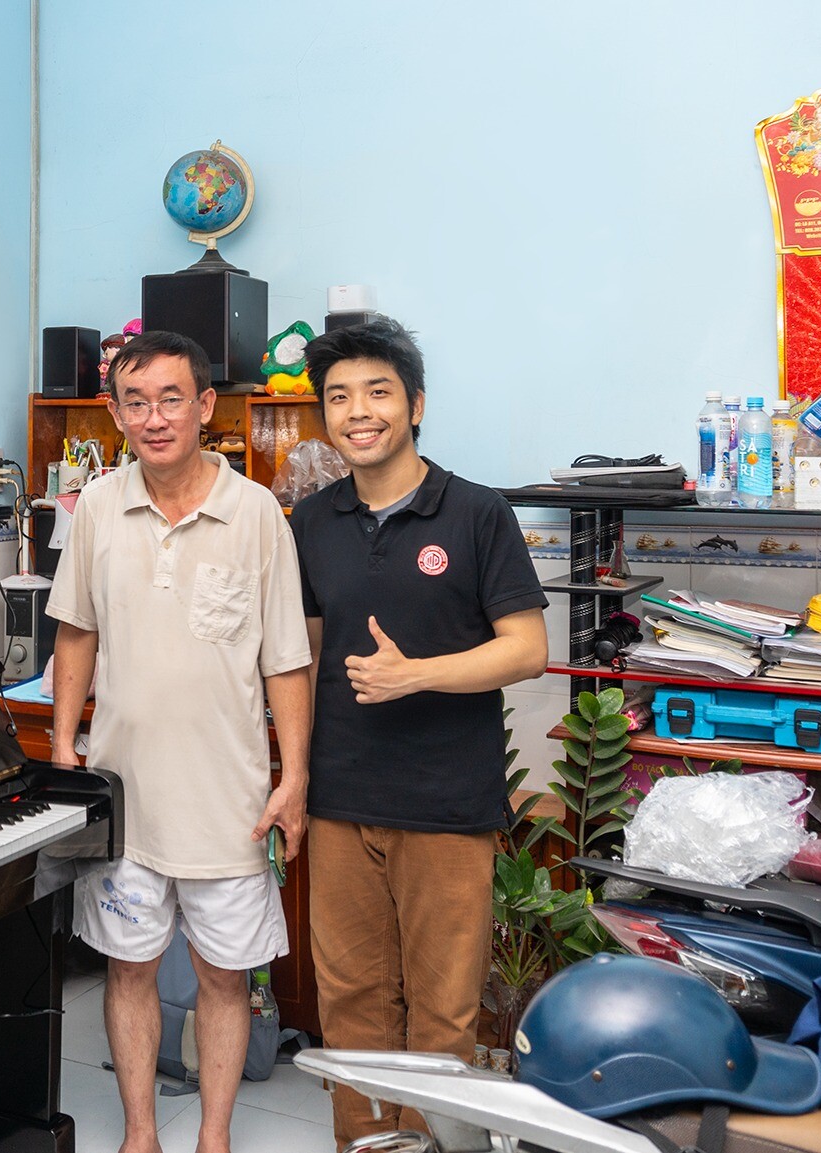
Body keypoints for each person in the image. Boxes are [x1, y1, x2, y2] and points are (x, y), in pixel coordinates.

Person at [47, 329, 313, 1153]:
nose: (154, 418)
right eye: (136, 402)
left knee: (222, 976)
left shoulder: (257, 512)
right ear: (115, 413)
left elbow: (286, 660)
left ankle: (214, 1135)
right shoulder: (96, 506)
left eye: (170, 399)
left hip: (228, 803)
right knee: (126, 968)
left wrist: (292, 777)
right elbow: (75, 632)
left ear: (203, 406)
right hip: (125, 800)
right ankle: (139, 1132)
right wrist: (62, 748)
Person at [288, 317, 548, 1149]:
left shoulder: (475, 512)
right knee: (350, 1004)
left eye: (377, 392)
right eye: (337, 397)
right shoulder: (310, 520)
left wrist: (416, 673)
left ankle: (433, 1144)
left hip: (444, 802)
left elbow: (527, 649)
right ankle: (365, 1145)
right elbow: (308, 655)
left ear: (415, 404)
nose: (357, 412)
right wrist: (290, 771)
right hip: (339, 799)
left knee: (442, 1011)